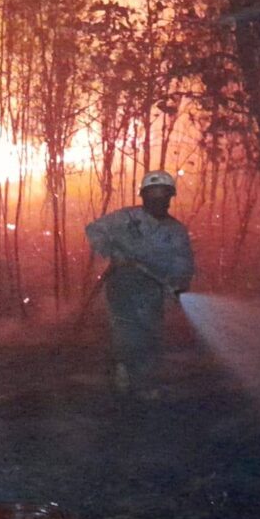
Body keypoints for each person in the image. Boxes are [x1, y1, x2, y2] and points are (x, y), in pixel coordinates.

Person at [85, 170, 195, 400]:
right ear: (144, 195)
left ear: (170, 196)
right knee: (127, 331)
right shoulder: (126, 218)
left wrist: (178, 285)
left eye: (162, 193)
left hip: (152, 290)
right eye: (152, 193)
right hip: (123, 283)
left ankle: (138, 379)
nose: (157, 198)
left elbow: (183, 263)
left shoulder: (175, 231)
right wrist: (112, 252)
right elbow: (95, 230)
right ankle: (130, 376)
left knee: (150, 334)